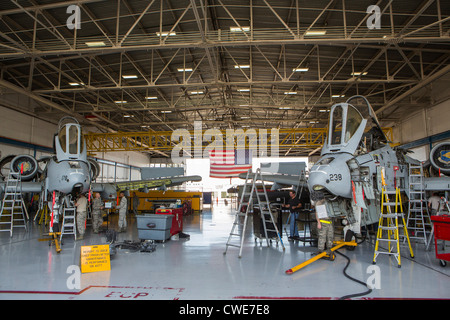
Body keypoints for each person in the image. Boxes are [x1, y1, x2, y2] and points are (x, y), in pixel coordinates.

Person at [312, 191, 335, 260]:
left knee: (330, 236)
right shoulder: (319, 203)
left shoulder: (327, 201)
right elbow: (317, 213)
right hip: (323, 222)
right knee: (322, 237)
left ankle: (329, 249)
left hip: (329, 222)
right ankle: (321, 251)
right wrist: (318, 223)